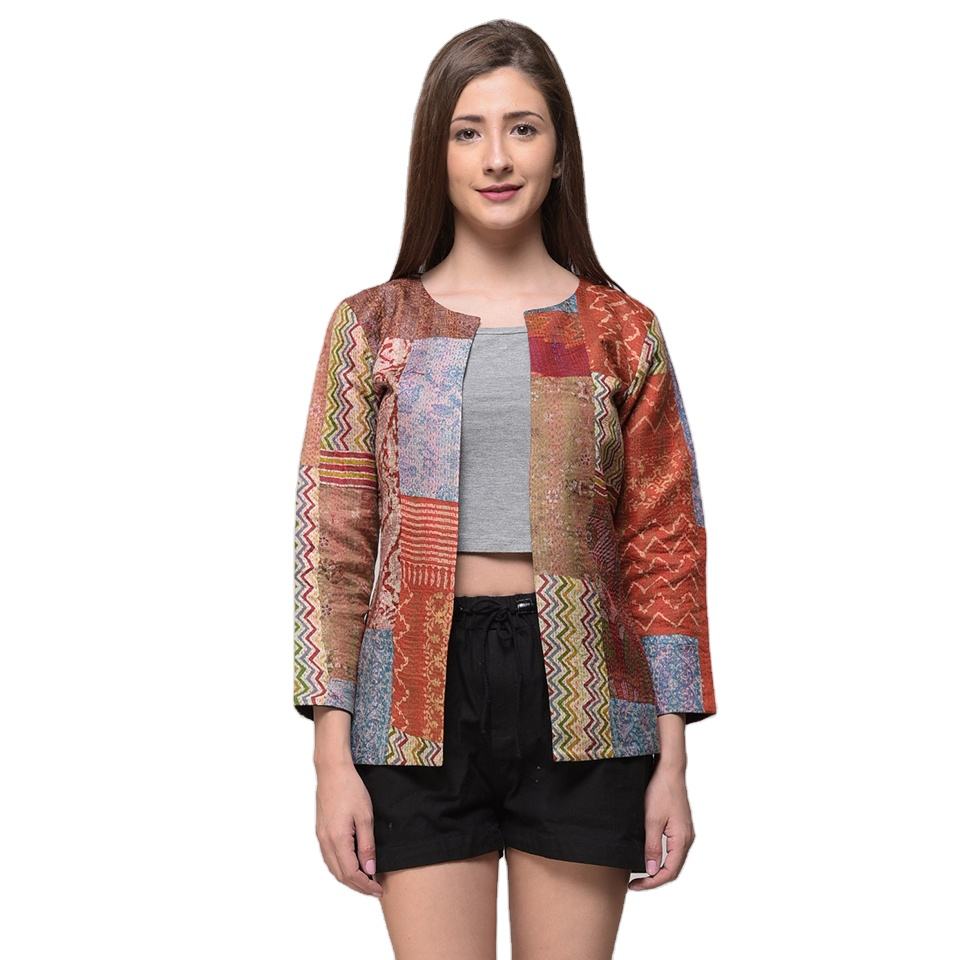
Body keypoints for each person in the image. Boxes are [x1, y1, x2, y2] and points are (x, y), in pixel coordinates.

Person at [293, 19, 717, 959]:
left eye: (522, 128)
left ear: (559, 150)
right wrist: (330, 755)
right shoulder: (373, 325)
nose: (496, 157)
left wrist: (674, 756)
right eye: (468, 130)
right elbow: (334, 550)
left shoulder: (618, 329)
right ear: (435, 153)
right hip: (411, 698)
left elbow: (664, 542)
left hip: (588, 695)